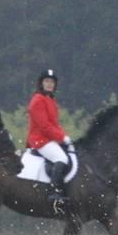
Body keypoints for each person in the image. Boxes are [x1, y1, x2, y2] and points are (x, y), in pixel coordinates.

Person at [26, 68, 72, 209]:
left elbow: (55, 124)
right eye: (46, 81)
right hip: (40, 140)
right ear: (41, 83)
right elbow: (45, 126)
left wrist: (64, 137)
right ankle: (54, 193)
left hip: (50, 139)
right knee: (62, 159)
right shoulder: (37, 101)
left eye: (52, 82)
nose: (49, 84)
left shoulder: (50, 100)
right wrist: (62, 137)